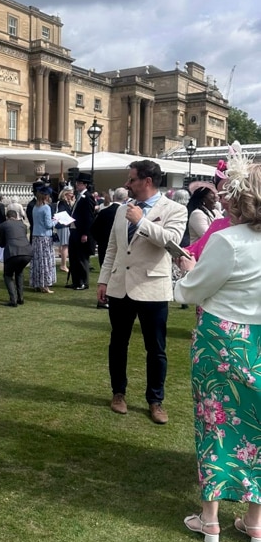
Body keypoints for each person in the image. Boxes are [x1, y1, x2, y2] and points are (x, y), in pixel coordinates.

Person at [175, 161, 261, 542]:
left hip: (223, 340)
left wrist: (187, 268)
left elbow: (191, 290)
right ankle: (255, 523)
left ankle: (210, 521)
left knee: (215, 422)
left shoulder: (229, 241)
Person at [97, 160, 187, 424]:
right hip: (120, 286)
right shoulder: (122, 210)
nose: (128, 184)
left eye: (132, 179)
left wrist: (142, 221)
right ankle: (118, 393)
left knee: (156, 349)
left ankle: (155, 401)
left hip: (153, 288)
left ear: (147, 181)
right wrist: (103, 281)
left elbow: (171, 242)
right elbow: (112, 248)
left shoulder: (176, 209)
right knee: (118, 343)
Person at [90, 187, 128, 308]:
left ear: (113, 197)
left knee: (105, 272)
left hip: (104, 246)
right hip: (119, 247)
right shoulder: (125, 213)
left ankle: (105, 299)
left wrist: (100, 240)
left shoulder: (104, 211)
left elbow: (93, 229)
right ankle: (108, 299)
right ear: (126, 198)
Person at [0, 207, 32, 307]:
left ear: (7, 217)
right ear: (16, 217)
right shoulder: (23, 225)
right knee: (19, 272)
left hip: (13, 252)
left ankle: (13, 300)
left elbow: (2, 243)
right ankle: (20, 298)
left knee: (7, 275)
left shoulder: (3, 225)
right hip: (27, 252)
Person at [68, 173, 95, 290]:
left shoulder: (87, 197)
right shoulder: (79, 196)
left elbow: (88, 217)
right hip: (74, 230)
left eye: (79, 183)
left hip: (81, 232)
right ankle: (76, 281)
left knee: (81, 258)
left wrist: (85, 233)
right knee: (73, 257)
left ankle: (83, 282)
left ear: (85, 185)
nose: (77, 185)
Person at [30, 187, 56, 294]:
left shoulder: (35, 207)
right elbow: (48, 224)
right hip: (44, 237)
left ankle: (37, 283)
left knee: (37, 261)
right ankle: (45, 285)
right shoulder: (46, 208)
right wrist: (56, 221)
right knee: (45, 261)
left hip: (36, 237)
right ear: (46, 196)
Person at [54, 187, 75, 273]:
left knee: (64, 246)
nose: (72, 195)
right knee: (65, 245)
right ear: (66, 194)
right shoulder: (62, 203)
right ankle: (63, 265)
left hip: (66, 225)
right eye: (71, 193)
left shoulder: (66, 202)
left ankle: (64, 264)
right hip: (64, 225)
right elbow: (62, 214)